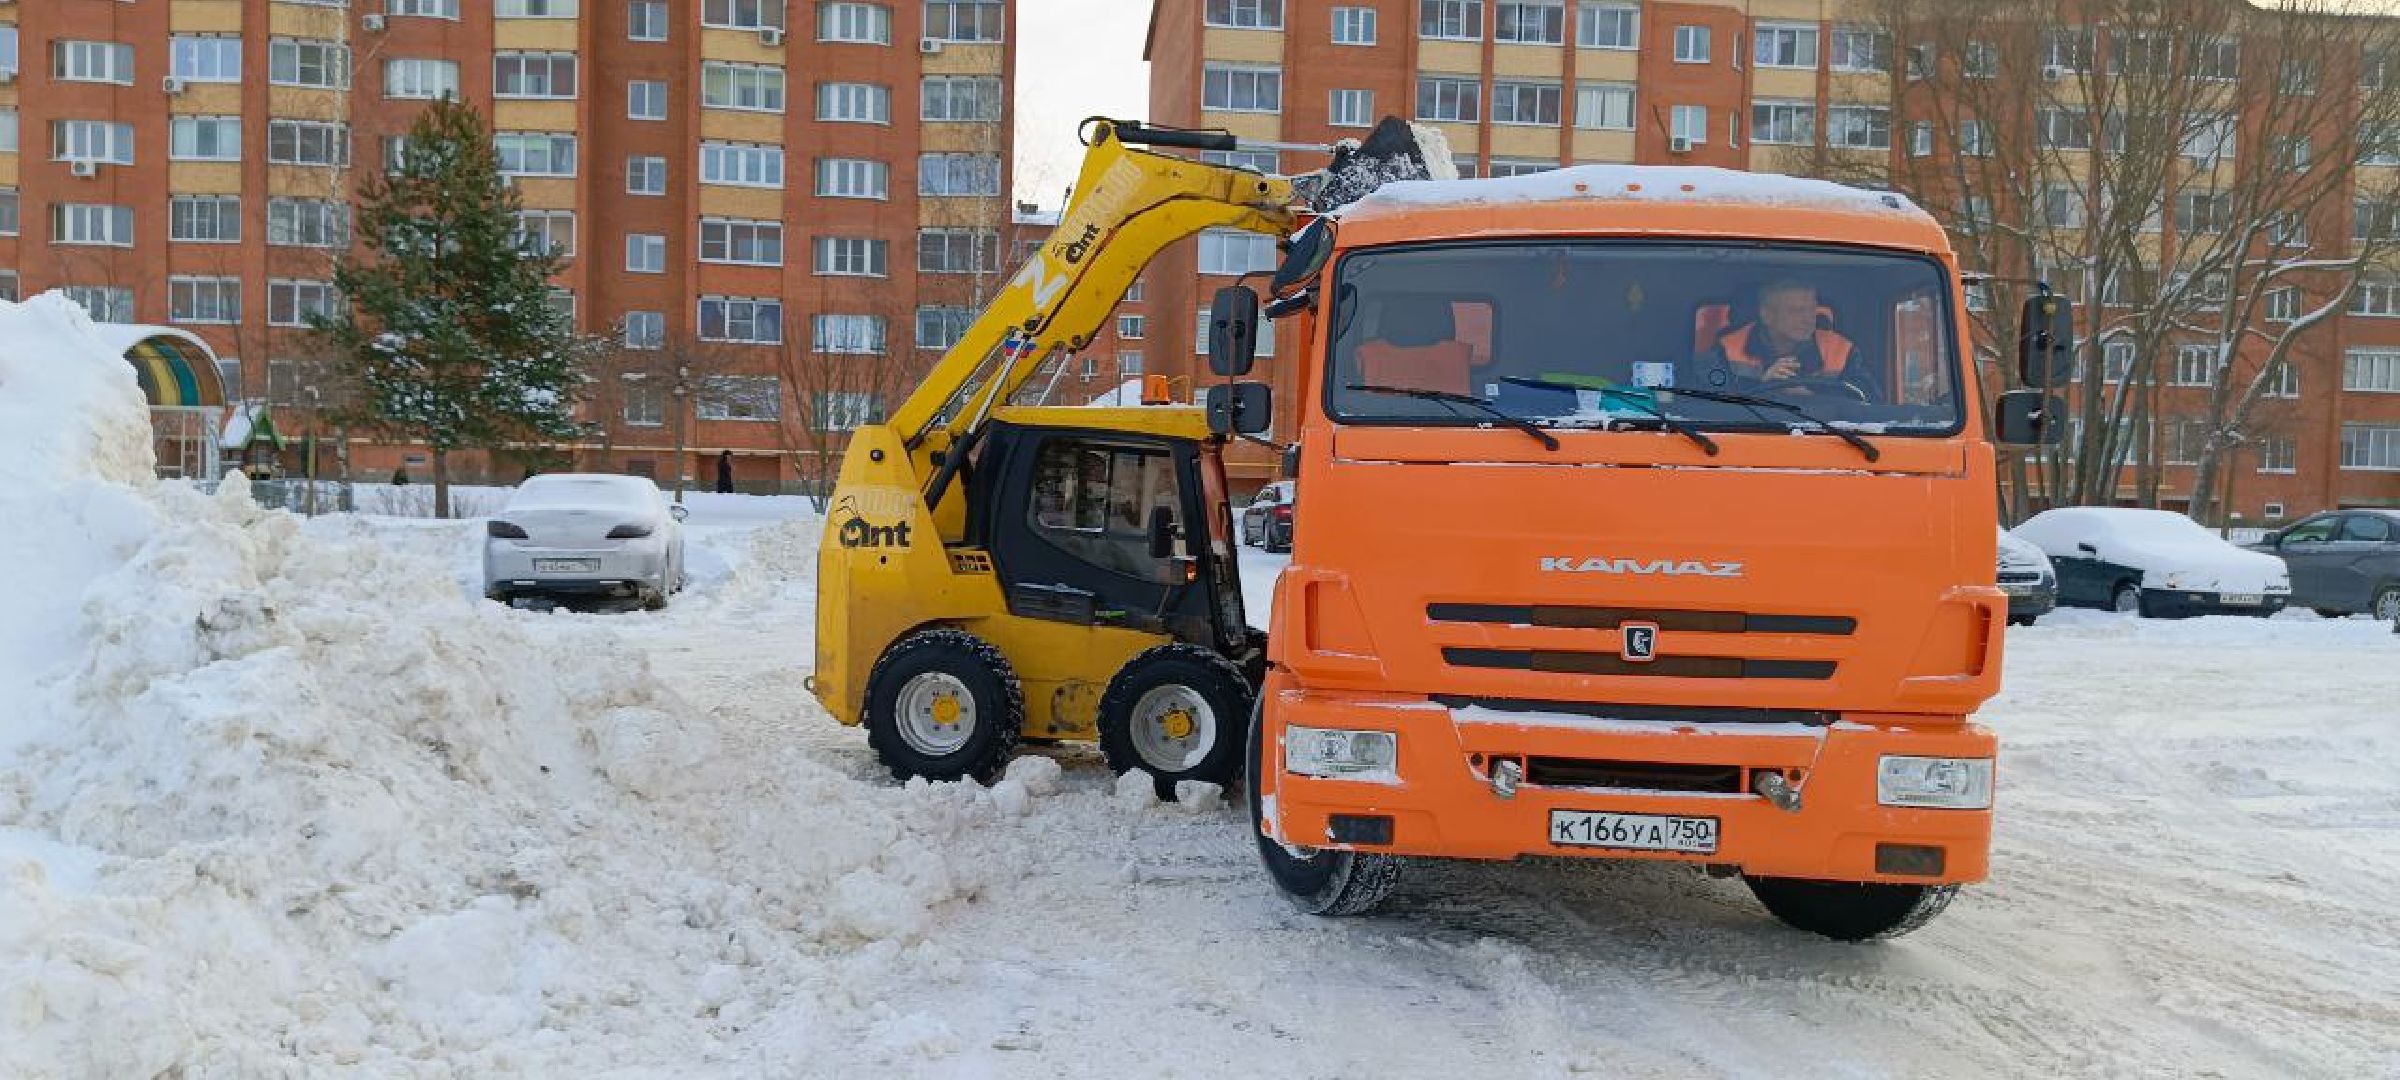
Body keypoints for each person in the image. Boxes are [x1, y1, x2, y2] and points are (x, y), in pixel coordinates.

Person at [1703, 279, 1874, 398]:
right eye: (1796, 311)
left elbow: (1869, 400)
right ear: (1767, 315)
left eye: (1812, 310)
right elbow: (1708, 402)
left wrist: (1812, 398)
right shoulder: (1727, 348)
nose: (1808, 319)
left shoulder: (1842, 350)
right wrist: (1762, 388)